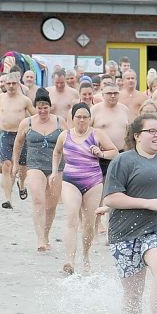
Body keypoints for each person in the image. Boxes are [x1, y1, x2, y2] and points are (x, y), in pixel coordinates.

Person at [99, 114, 157, 314]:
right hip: (125, 233)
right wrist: (146, 204)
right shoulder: (123, 161)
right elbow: (111, 199)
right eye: (152, 131)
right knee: (133, 294)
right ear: (137, 136)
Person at [50, 103, 118, 274]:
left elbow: (114, 152)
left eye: (85, 117)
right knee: (72, 218)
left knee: (89, 223)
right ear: (73, 118)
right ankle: (70, 261)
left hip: (93, 182)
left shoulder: (97, 134)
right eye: (78, 117)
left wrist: (101, 153)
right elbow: (57, 152)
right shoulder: (65, 136)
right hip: (70, 180)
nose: (81, 120)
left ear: (89, 118)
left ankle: (86, 255)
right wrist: (53, 171)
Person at [12, 93, 64, 251]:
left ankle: (46, 235)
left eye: (45, 108)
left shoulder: (59, 121)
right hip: (34, 165)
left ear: (50, 107)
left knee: (51, 205)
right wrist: (15, 164)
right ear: (35, 108)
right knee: (38, 200)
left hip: (56, 166)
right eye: (39, 108)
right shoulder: (26, 123)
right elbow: (18, 143)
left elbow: (69, 141)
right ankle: (40, 239)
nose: (42, 111)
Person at [0, 72, 34, 207]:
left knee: (22, 166)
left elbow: (34, 115)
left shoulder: (25, 100)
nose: (11, 86)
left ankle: (22, 184)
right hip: (5, 135)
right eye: (9, 83)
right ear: (5, 85)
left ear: (18, 84)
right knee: (6, 166)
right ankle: (8, 199)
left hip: (21, 135)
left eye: (14, 83)